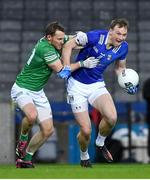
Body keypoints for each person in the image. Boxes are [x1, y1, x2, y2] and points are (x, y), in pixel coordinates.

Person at [11, 22, 99, 168]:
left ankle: (25, 158)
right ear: (49, 37)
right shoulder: (45, 49)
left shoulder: (56, 39)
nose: (61, 41)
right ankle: (22, 139)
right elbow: (63, 72)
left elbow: (73, 40)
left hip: (38, 92)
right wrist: (83, 63)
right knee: (31, 115)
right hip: (22, 88)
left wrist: (81, 36)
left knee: (47, 130)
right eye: (58, 39)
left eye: (61, 38)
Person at [61, 18, 139, 167]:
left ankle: (100, 143)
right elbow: (68, 45)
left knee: (111, 117)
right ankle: (84, 156)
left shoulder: (123, 47)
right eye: (118, 33)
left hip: (96, 85)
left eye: (124, 35)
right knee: (85, 130)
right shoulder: (95, 37)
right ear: (110, 31)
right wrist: (66, 66)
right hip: (76, 86)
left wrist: (127, 83)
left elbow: (120, 68)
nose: (121, 38)